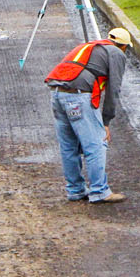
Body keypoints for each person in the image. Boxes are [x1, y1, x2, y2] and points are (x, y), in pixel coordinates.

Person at [45, 29, 132, 204]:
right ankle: (100, 191)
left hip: (56, 93)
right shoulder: (116, 53)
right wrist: (105, 122)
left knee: (69, 146)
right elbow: (113, 90)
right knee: (96, 144)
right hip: (78, 96)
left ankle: (75, 190)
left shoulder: (90, 47)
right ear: (123, 46)